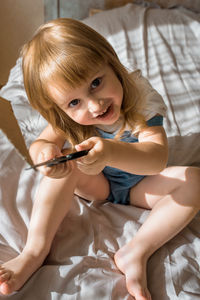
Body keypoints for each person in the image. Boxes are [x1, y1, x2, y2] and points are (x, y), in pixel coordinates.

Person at [0, 18, 199, 300]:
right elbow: (43, 143)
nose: (94, 105)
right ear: (61, 108)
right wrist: (44, 153)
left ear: (111, 62)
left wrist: (109, 152)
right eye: (74, 102)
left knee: (194, 180)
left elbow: (156, 158)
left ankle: (135, 251)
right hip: (99, 184)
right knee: (66, 162)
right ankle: (34, 250)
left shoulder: (139, 97)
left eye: (96, 83)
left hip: (143, 185)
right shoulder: (67, 116)